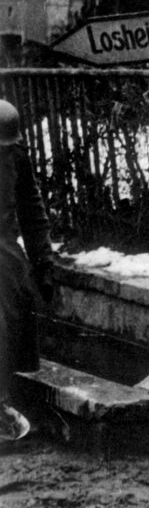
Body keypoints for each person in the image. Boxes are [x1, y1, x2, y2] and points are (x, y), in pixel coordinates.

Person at [0, 98, 54, 441]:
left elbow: (31, 208)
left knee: (15, 302)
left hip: (2, 245)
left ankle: (6, 401)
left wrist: (43, 260)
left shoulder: (14, 151)